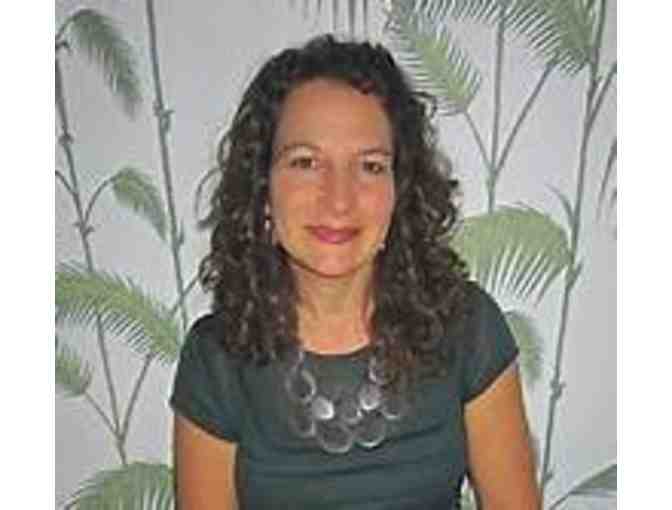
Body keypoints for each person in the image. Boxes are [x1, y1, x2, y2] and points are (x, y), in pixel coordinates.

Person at [170, 35, 540, 509]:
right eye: (306, 162)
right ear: (263, 192)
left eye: (369, 166)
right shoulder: (216, 358)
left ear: (400, 191)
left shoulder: (468, 327)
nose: (338, 199)